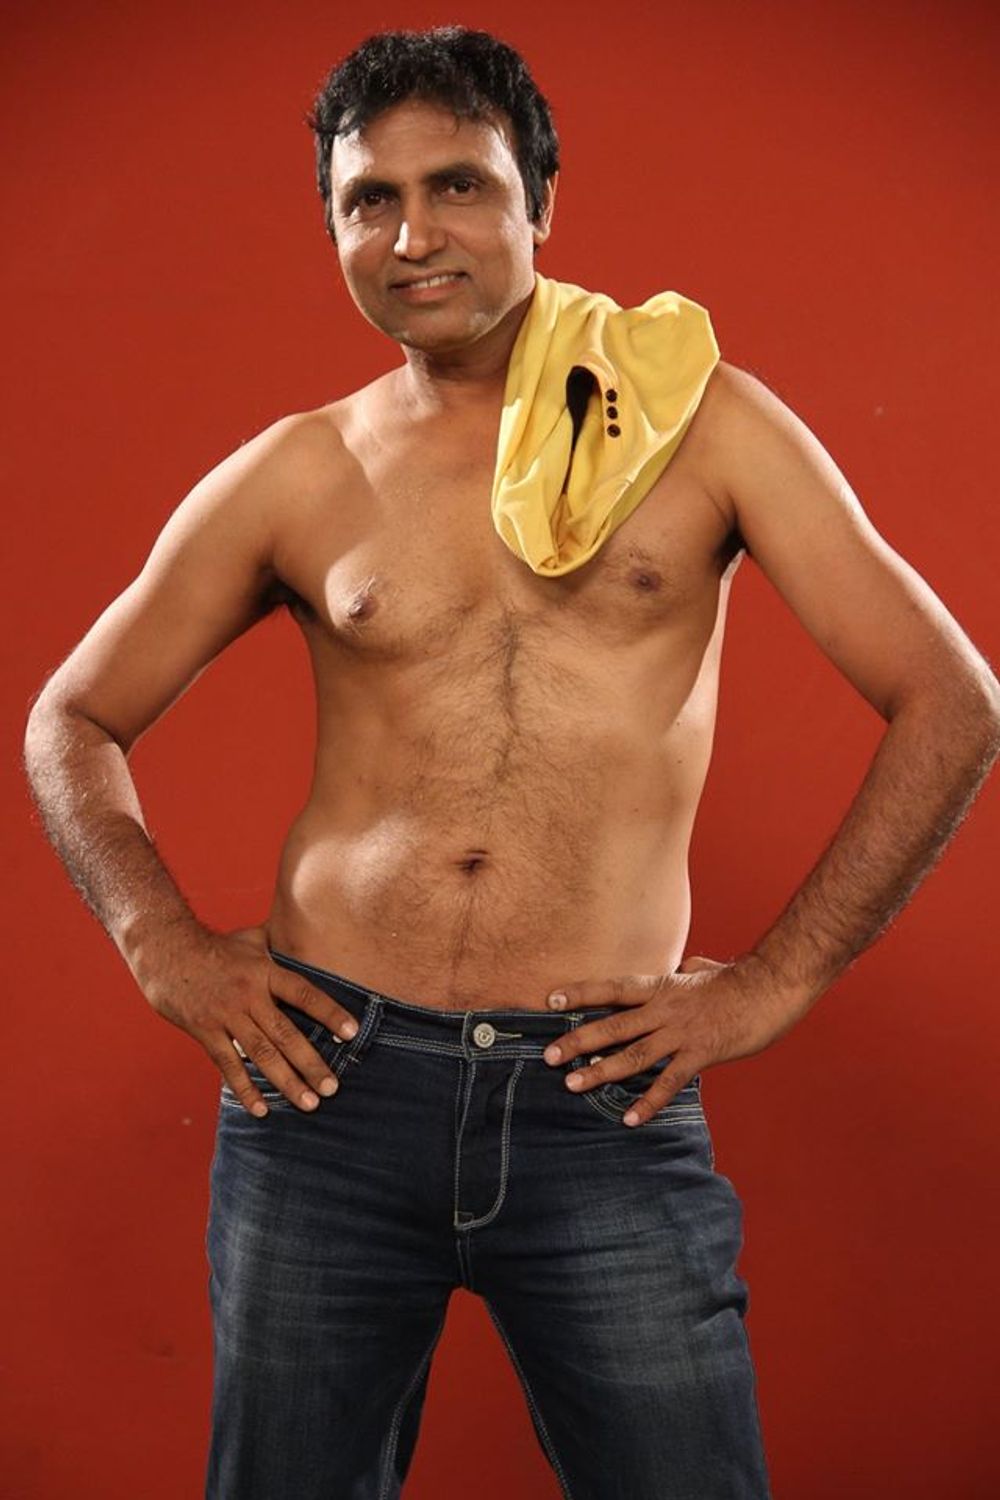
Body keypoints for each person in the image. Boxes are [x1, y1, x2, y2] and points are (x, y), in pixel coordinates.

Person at [22, 24, 999, 1500]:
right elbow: (72, 719)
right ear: (334, 227)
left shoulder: (701, 429)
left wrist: (773, 983)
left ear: (540, 197)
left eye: (459, 186)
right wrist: (160, 940)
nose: (414, 236)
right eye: (370, 200)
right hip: (326, 1095)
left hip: (597, 1096)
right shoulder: (304, 468)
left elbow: (950, 700)